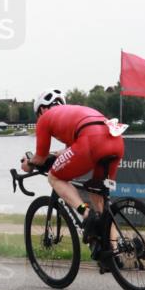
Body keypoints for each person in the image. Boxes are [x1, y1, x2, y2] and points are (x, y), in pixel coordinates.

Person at [20, 88, 126, 243]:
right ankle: (115, 250)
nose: (38, 118)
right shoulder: (73, 112)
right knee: (98, 197)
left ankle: (85, 213)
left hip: (91, 141)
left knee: (54, 177)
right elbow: (68, 151)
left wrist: (28, 164)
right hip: (115, 141)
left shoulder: (45, 118)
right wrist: (53, 154)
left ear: (42, 109)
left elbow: (40, 158)